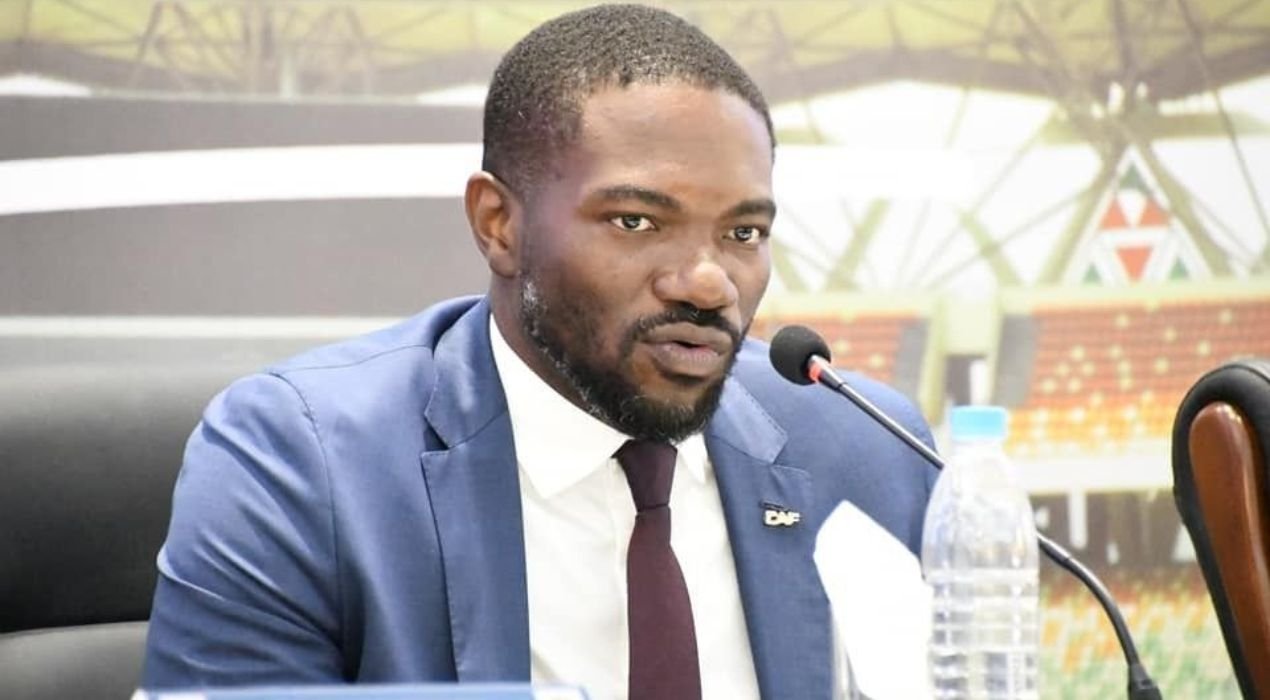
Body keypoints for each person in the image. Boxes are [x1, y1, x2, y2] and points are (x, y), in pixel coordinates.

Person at [142, 4, 937, 699]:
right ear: (499, 225)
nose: (707, 282)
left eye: (743, 232)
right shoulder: (303, 462)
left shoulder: (867, 450)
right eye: (635, 222)